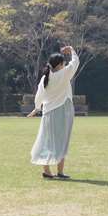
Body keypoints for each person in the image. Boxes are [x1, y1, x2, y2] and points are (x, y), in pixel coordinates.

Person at [27, 46, 79, 179]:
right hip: (63, 111)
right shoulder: (64, 74)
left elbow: (39, 96)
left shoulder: (46, 78)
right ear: (60, 65)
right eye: (63, 63)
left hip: (48, 113)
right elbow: (75, 62)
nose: (65, 65)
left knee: (47, 140)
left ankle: (47, 171)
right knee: (62, 140)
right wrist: (72, 50)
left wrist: (36, 108)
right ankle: (60, 172)